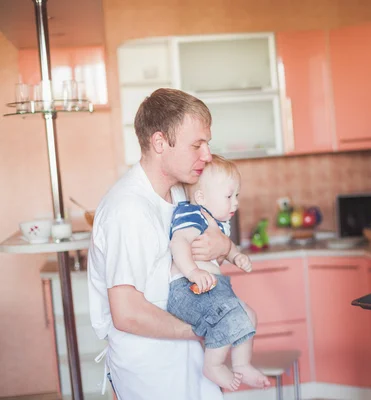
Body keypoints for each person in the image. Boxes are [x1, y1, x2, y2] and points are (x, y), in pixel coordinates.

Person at [87, 88, 231, 399]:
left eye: (207, 144)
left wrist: (220, 245)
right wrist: (202, 329)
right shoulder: (128, 209)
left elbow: (202, 241)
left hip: (186, 358)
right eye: (197, 145)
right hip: (151, 370)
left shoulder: (178, 191)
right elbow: (127, 313)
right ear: (160, 142)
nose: (207, 155)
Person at [167, 155, 270, 391]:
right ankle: (212, 365)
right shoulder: (193, 214)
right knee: (227, 318)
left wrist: (236, 256)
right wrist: (193, 272)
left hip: (213, 288)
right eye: (229, 196)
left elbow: (227, 246)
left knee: (248, 316)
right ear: (202, 197)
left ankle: (242, 364)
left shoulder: (218, 222)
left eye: (237, 196)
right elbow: (179, 243)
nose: (235, 203)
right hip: (188, 287)